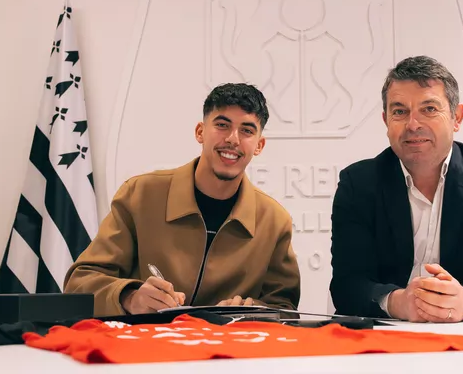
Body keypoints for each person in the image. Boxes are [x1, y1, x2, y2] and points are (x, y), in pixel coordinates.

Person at [329, 56, 463, 322]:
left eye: (429, 109)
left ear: (457, 117)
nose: (413, 124)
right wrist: (397, 302)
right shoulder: (358, 184)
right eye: (400, 112)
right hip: (389, 333)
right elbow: (347, 286)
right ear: (386, 121)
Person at [65, 83, 301, 316]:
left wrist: (254, 312)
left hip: (229, 342)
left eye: (247, 131)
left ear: (259, 145)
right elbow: (79, 283)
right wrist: (129, 298)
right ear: (200, 132)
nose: (233, 139)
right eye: (222, 125)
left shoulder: (274, 221)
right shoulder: (140, 195)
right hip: (145, 340)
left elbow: (285, 309)